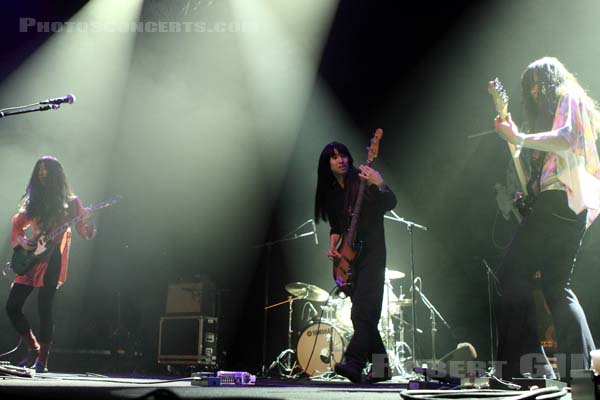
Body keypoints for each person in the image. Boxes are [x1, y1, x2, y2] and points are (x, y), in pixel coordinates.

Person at [493, 57, 598, 381]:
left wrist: (519, 138)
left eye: (537, 84)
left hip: (559, 202)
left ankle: (526, 368)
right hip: (573, 207)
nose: (535, 92)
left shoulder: (569, 96)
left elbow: (565, 139)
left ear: (550, 79)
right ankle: (581, 372)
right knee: (556, 287)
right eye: (530, 88)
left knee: (511, 272)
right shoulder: (580, 106)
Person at [314, 141, 397, 383]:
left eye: (343, 155)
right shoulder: (332, 194)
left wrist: (379, 183)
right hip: (349, 259)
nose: (340, 160)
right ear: (327, 163)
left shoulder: (361, 181)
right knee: (365, 315)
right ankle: (382, 369)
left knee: (362, 311)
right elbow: (337, 227)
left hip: (372, 255)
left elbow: (390, 203)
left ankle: (354, 363)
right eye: (334, 157)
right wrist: (332, 247)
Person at [5, 156, 96, 372]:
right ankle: (33, 347)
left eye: (46, 170)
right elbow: (17, 224)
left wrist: (89, 223)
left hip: (52, 258)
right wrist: (22, 242)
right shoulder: (34, 200)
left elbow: (83, 231)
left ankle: (42, 360)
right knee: (12, 306)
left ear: (56, 174)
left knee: (44, 307)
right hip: (31, 258)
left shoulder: (71, 202)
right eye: (39, 170)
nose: (42, 173)